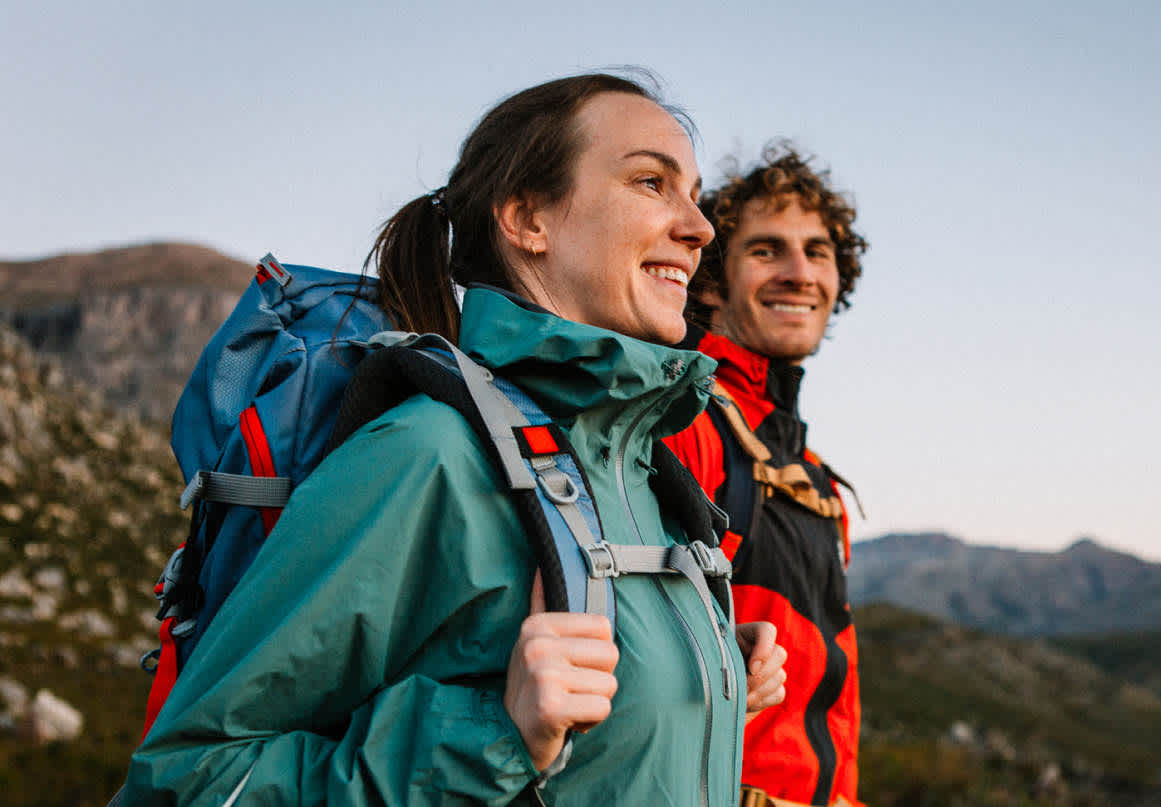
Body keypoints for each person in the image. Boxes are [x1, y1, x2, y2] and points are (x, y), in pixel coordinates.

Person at [121, 73, 786, 806]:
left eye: (692, 192)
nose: (700, 227)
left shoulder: (645, 477)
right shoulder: (426, 454)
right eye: (651, 182)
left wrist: (699, 665)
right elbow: (187, 780)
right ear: (528, 218)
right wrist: (495, 732)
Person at [664, 145, 868, 807]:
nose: (798, 272)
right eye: (766, 250)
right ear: (712, 281)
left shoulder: (818, 483)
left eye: (818, 251)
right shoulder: (682, 426)